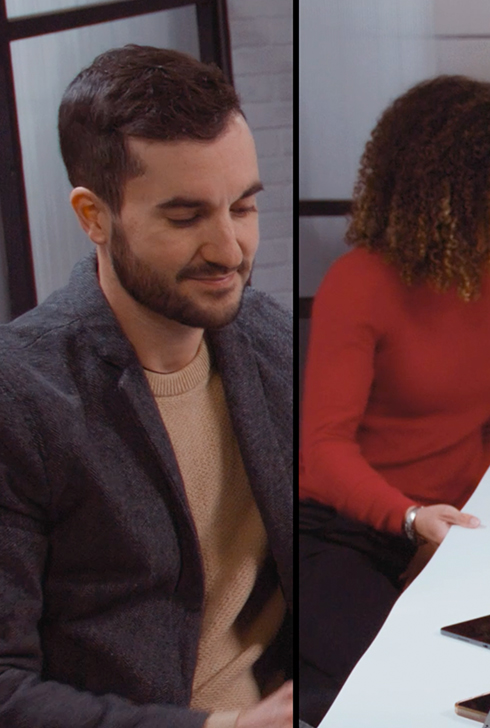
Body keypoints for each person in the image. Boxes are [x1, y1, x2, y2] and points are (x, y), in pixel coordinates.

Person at [0, 46, 293, 728]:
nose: (230, 251)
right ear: (93, 216)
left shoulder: (264, 337)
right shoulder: (22, 398)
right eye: (186, 219)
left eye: (243, 208)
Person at [297, 75, 490, 724]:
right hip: (344, 535)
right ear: (451, 198)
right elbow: (322, 453)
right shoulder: (359, 284)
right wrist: (412, 523)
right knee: (403, 696)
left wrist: (457, 529)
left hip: (450, 527)